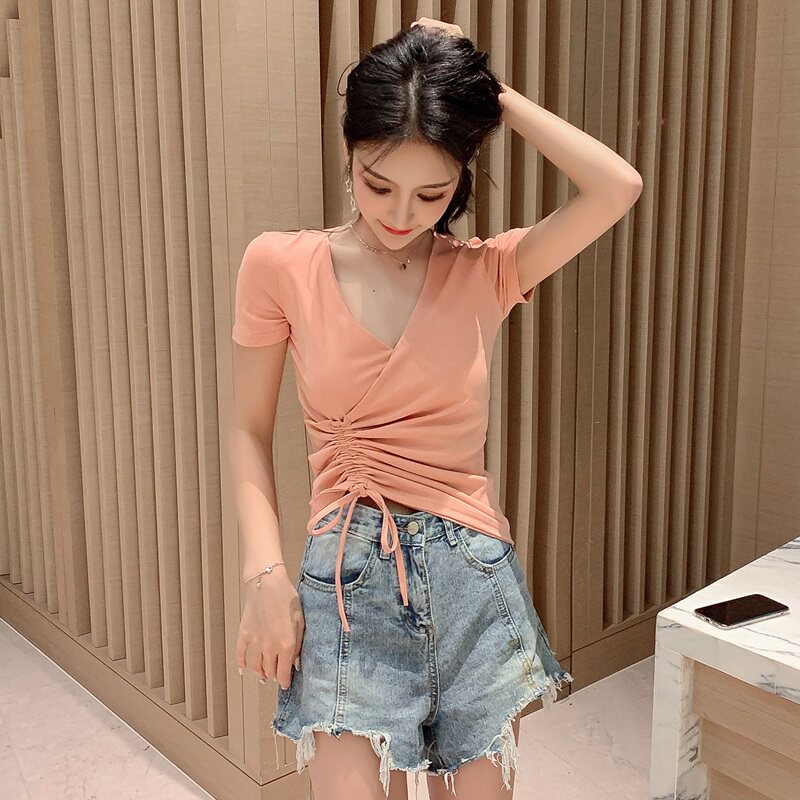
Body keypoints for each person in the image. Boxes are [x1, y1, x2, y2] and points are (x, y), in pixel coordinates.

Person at [230, 17, 642, 800]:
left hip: (471, 577)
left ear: (462, 177)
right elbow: (247, 430)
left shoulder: (488, 270)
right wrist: (263, 574)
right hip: (346, 576)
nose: (401, 213)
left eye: (433, 193)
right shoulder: (280, 264)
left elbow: (617, 186)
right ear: (348, 154)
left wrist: (487, 92)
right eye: (377, 183)